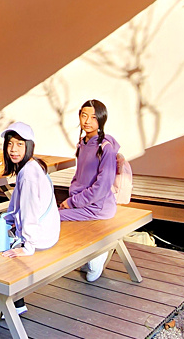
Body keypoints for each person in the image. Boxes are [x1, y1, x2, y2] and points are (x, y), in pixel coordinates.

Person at [0, 121, 60, 322]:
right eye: (10, 144)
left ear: (29, 146)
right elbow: (20, 208)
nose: (13, 149)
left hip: (39, 237)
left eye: (20, 144)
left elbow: (29, 212)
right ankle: (16, 303)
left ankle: (1, 303)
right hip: (47, 230)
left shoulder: (27, 174)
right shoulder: (33, 166)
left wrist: (27, 247)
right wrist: (6, 219)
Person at [59, 99, 119, 281]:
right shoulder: (83, 143)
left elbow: (101, 188)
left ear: (101, 120)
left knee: (54, 217)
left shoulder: (105, 148)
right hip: (83, 201)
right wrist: (72, 197)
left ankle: (97, 255)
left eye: (93, 117)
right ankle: (88, 254)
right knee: (53, 211)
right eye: (84, 115)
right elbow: (80, 175)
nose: (87, 121)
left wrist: (72, 202)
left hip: (98, 206)